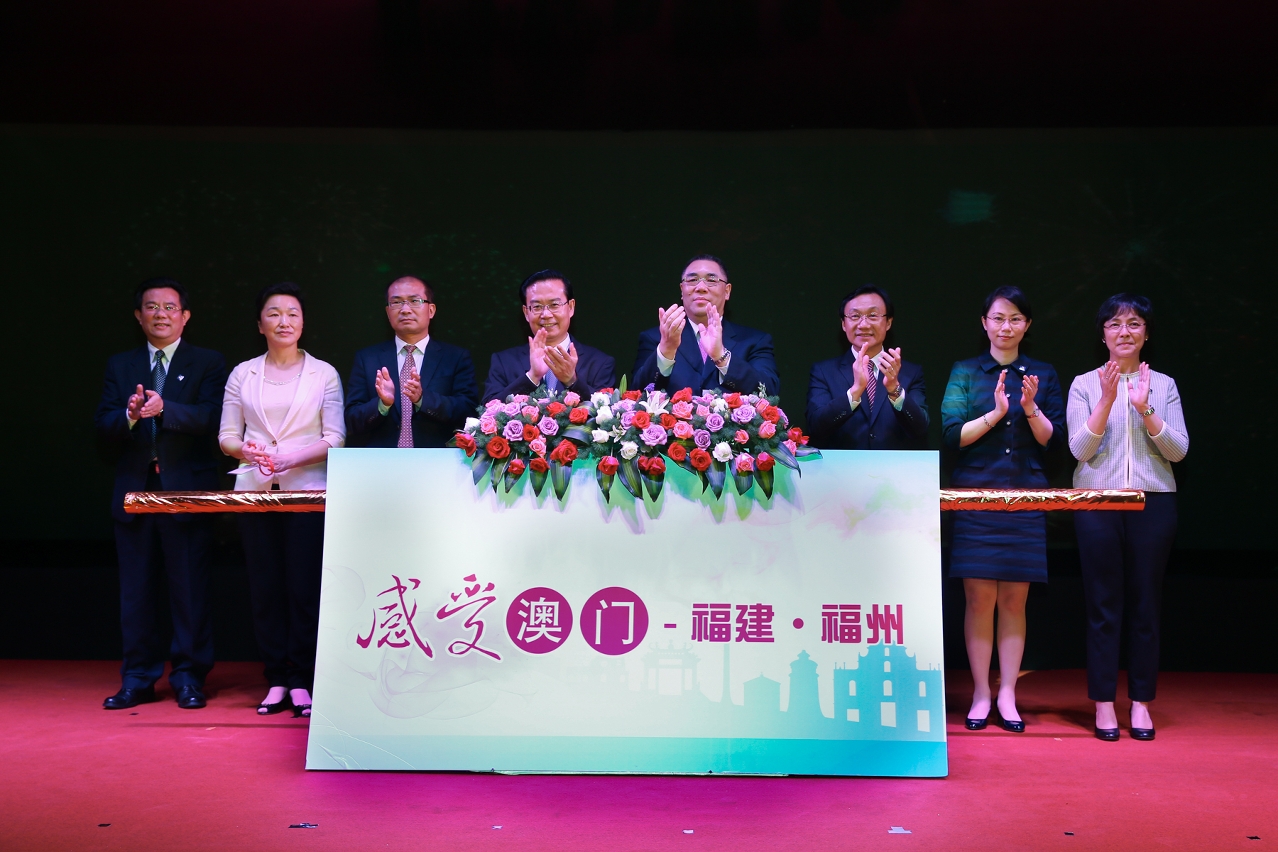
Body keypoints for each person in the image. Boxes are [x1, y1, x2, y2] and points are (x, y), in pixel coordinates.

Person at [94, 278, 226, 710]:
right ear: (139, 315)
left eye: (170, 307)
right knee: (137, 593)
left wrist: (167, 408)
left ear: (185, 316)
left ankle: (189, 677)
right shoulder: (121, 364)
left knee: (189, 590)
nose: (160, 314)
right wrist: (130, 417)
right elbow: (102, 425)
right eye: (151, 307)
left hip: (186, 492)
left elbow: (212, 418)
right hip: (135, 493)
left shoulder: (207, 362)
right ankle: (138, 678)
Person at [941, 286, 1065, 733]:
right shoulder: (965, 372)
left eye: (1014, 319)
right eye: (997, 318)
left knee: (1015, 600)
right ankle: (980, 692)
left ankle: (1008, 692)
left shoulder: (1044, 374)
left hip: (1026, 497)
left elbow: (1055, 440)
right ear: (984, 323)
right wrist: (997, 413)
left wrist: (1029, 408)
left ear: (1026, 325)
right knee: (978, 599)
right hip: (976, 498)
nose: (1005, 326)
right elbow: (953, 434)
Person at [219, 283, 345, 718]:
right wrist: (246, 451)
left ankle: (305, 680)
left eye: (292, 313)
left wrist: (290, 457)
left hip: (307, 490)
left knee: (304, 586)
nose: (284, 321)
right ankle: (276, 677)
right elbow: (227, 436)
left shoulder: (324, 373)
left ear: (303, 322)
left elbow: (336, 438)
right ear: (260, 325)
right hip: (254, 490)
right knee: (265, 587)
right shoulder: (243, 373)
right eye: (274, 314)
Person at [1067, 295, 1187, 742]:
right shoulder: (1084, 383)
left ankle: (1140, 703)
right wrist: (1107, 399)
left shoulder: (1164, 385)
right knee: (1102, 605)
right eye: (1115, 324)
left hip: (1153, 501)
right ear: (1103, 334)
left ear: (1146, 334)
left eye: (1134, 324)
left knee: (1145, 604)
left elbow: (1178, 450)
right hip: (1097, 501)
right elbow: (1080, 450)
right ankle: (1102, 704)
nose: (1124, 332)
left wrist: (1143, 407)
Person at [345, 276, 477, 448]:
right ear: (387, 312)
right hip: (381, 464)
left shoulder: (456, 357)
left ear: (431, 310)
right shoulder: (367, 358)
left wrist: (423, 399)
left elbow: (468, 413)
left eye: (414, 301)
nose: (405, 309)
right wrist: (382, 404)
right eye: (397, 302)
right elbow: (351, 421)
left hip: (437, 463)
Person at [632, 254, 780, 396]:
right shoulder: (655, 339)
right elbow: (636, 395)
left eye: (711, 280)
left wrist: (721, 357)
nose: (701, 287)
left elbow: (769, 392)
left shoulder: (754, 341)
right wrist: (666, 351)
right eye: (692, 280)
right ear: (682, 291)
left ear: (727, 291)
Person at [806, 285, 928, 450]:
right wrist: (855, 392)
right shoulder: (824, 372)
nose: (863, 324)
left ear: (888, 323)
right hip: (840, 472)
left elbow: (921, 429)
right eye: (855, 316)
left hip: (894, 471)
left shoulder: (909, 373)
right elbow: (815, 428)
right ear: (843, 324)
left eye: (872, 315)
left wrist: (895, 391)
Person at [482, 269, 616, 402]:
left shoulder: (599, 363)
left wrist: (572, 381)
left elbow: (608, 414)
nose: (546, 314)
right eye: (537, 307)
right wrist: (532, 377)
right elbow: (487, 411)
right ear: (526, 312)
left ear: (571, 307)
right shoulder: (504, 362)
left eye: (554, 305)